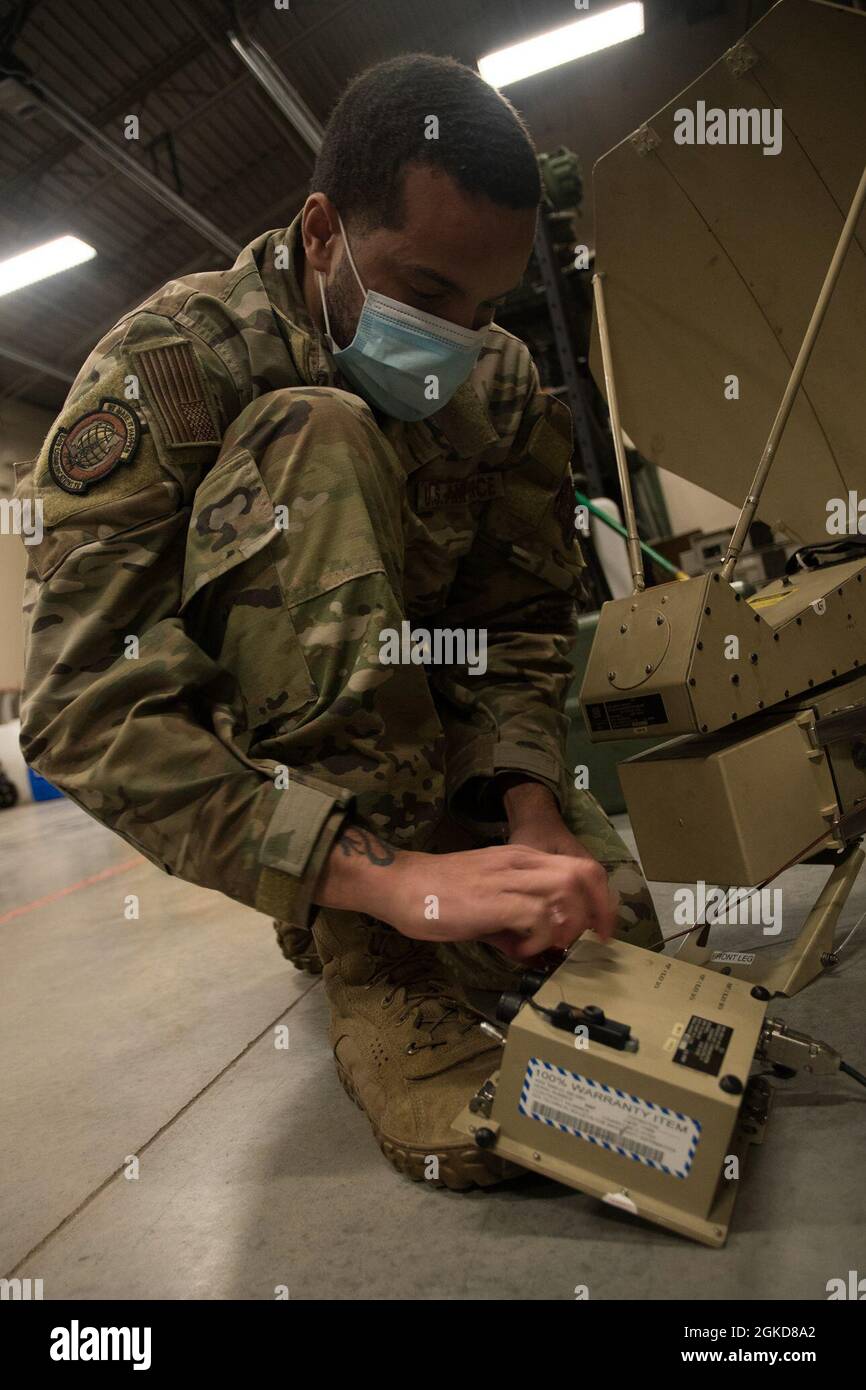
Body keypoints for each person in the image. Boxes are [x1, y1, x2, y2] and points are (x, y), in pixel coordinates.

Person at [17, 54, 661, 1190]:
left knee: (626, 939)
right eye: (423, 290)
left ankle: (423, 885)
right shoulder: (172, 369)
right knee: (316, 433)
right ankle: (369, 951)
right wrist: (378, 878)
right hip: (304, 788)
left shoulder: (498, 385)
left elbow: (512, 624)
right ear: (321, 232)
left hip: (443, 761)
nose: (458, 339)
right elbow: (81, 709)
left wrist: (527, 807)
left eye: (483, 305)